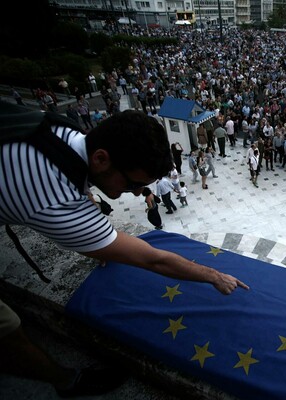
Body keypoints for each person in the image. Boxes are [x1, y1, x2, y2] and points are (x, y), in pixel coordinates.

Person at [0, 110, 248, 397]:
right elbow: (152, 258)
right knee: (8, 332)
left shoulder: (59, 128)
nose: (136, 192)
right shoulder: (56, 199)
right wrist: (212, 275)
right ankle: (67, 381)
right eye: (132, 184)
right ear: (101, 158)